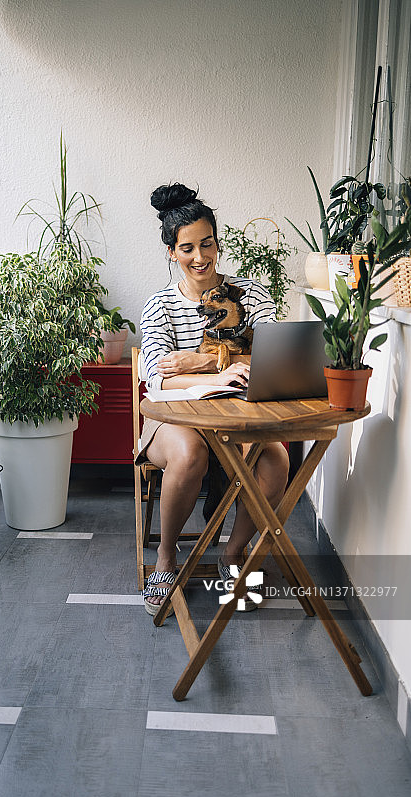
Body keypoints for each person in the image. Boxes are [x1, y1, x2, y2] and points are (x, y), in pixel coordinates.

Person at [137, 183, 289, 616]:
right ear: (172, 252)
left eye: (207, 244)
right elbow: (158, 383)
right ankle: (166, 560)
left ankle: (232, 554)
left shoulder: (249, 295)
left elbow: (273, 360)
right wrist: (218, 370)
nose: (200, 257)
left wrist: (195, 365)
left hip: (237, 417)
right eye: (187, 248)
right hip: (174, 420)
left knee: (275, 458)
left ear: (218, 243)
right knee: (188, 452)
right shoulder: (160, 305)